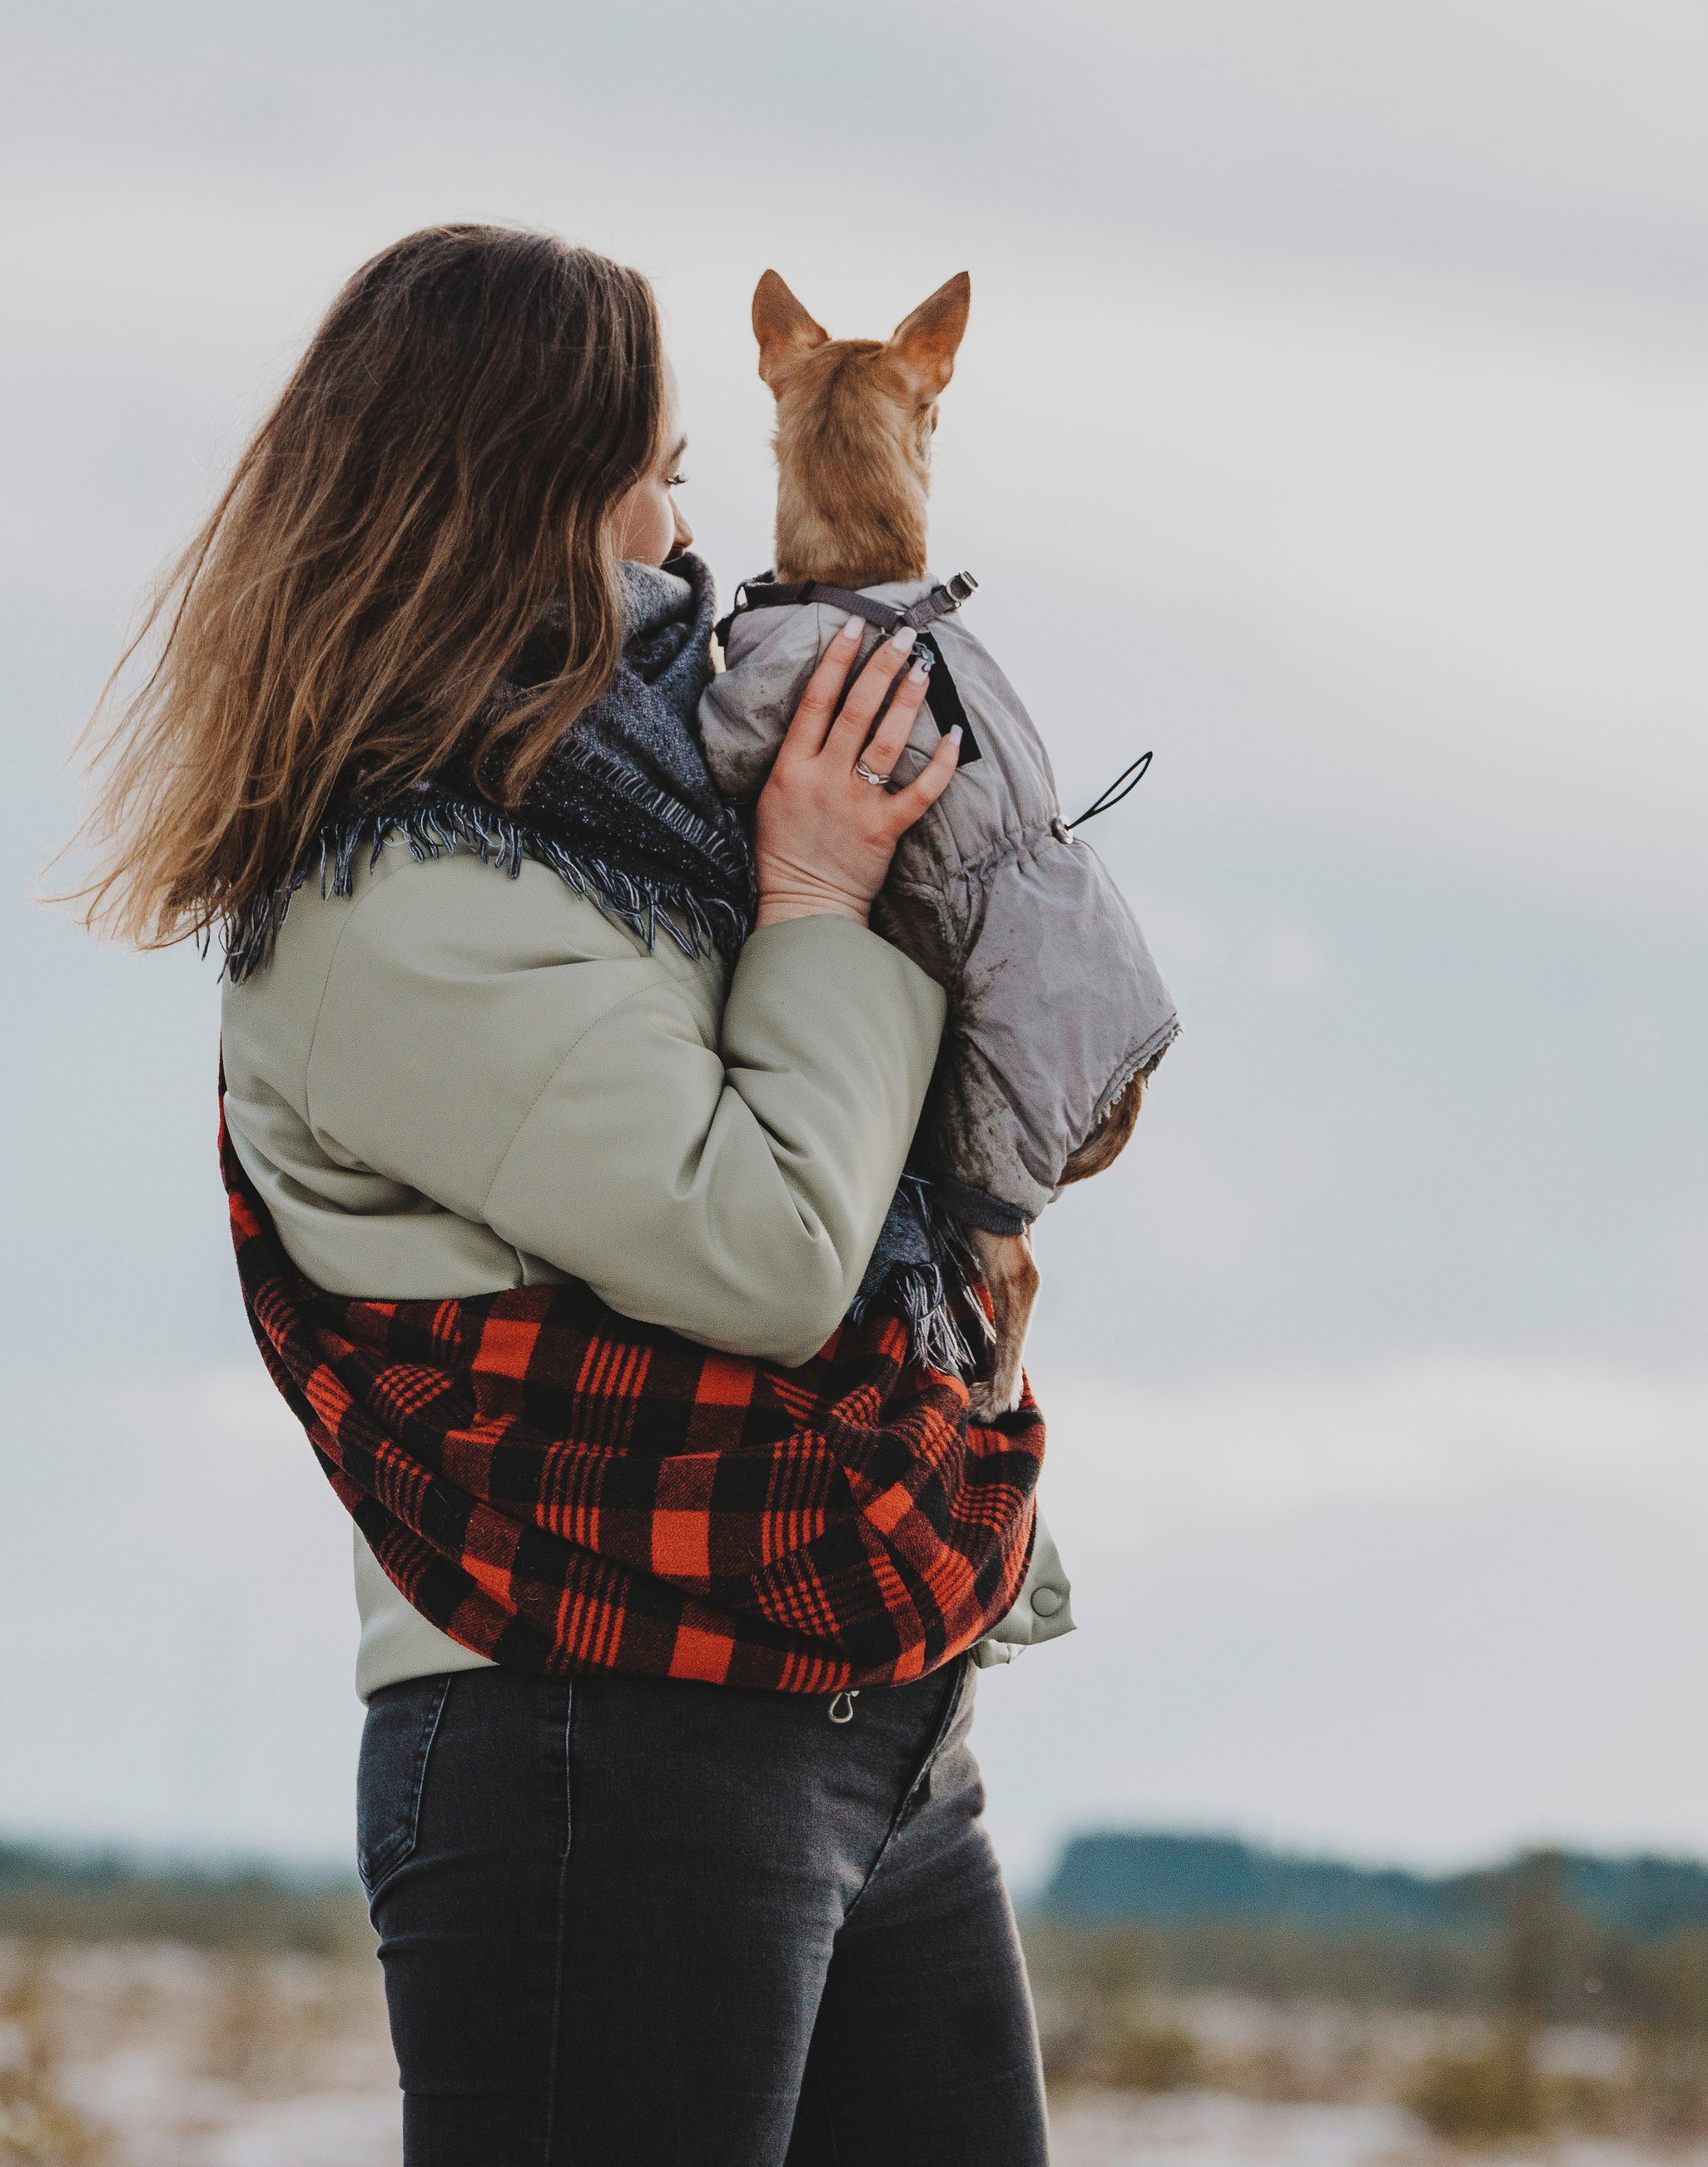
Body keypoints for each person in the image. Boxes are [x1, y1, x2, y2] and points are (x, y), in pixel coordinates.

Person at [74, 221, 1060, 2166]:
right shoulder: (398, 897)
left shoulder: (630, 820)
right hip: (595, 1723)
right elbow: (769, 1247)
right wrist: (817, 896)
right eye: (660, 483)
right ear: (521, 502)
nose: (691, 550)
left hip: (853, 1704)